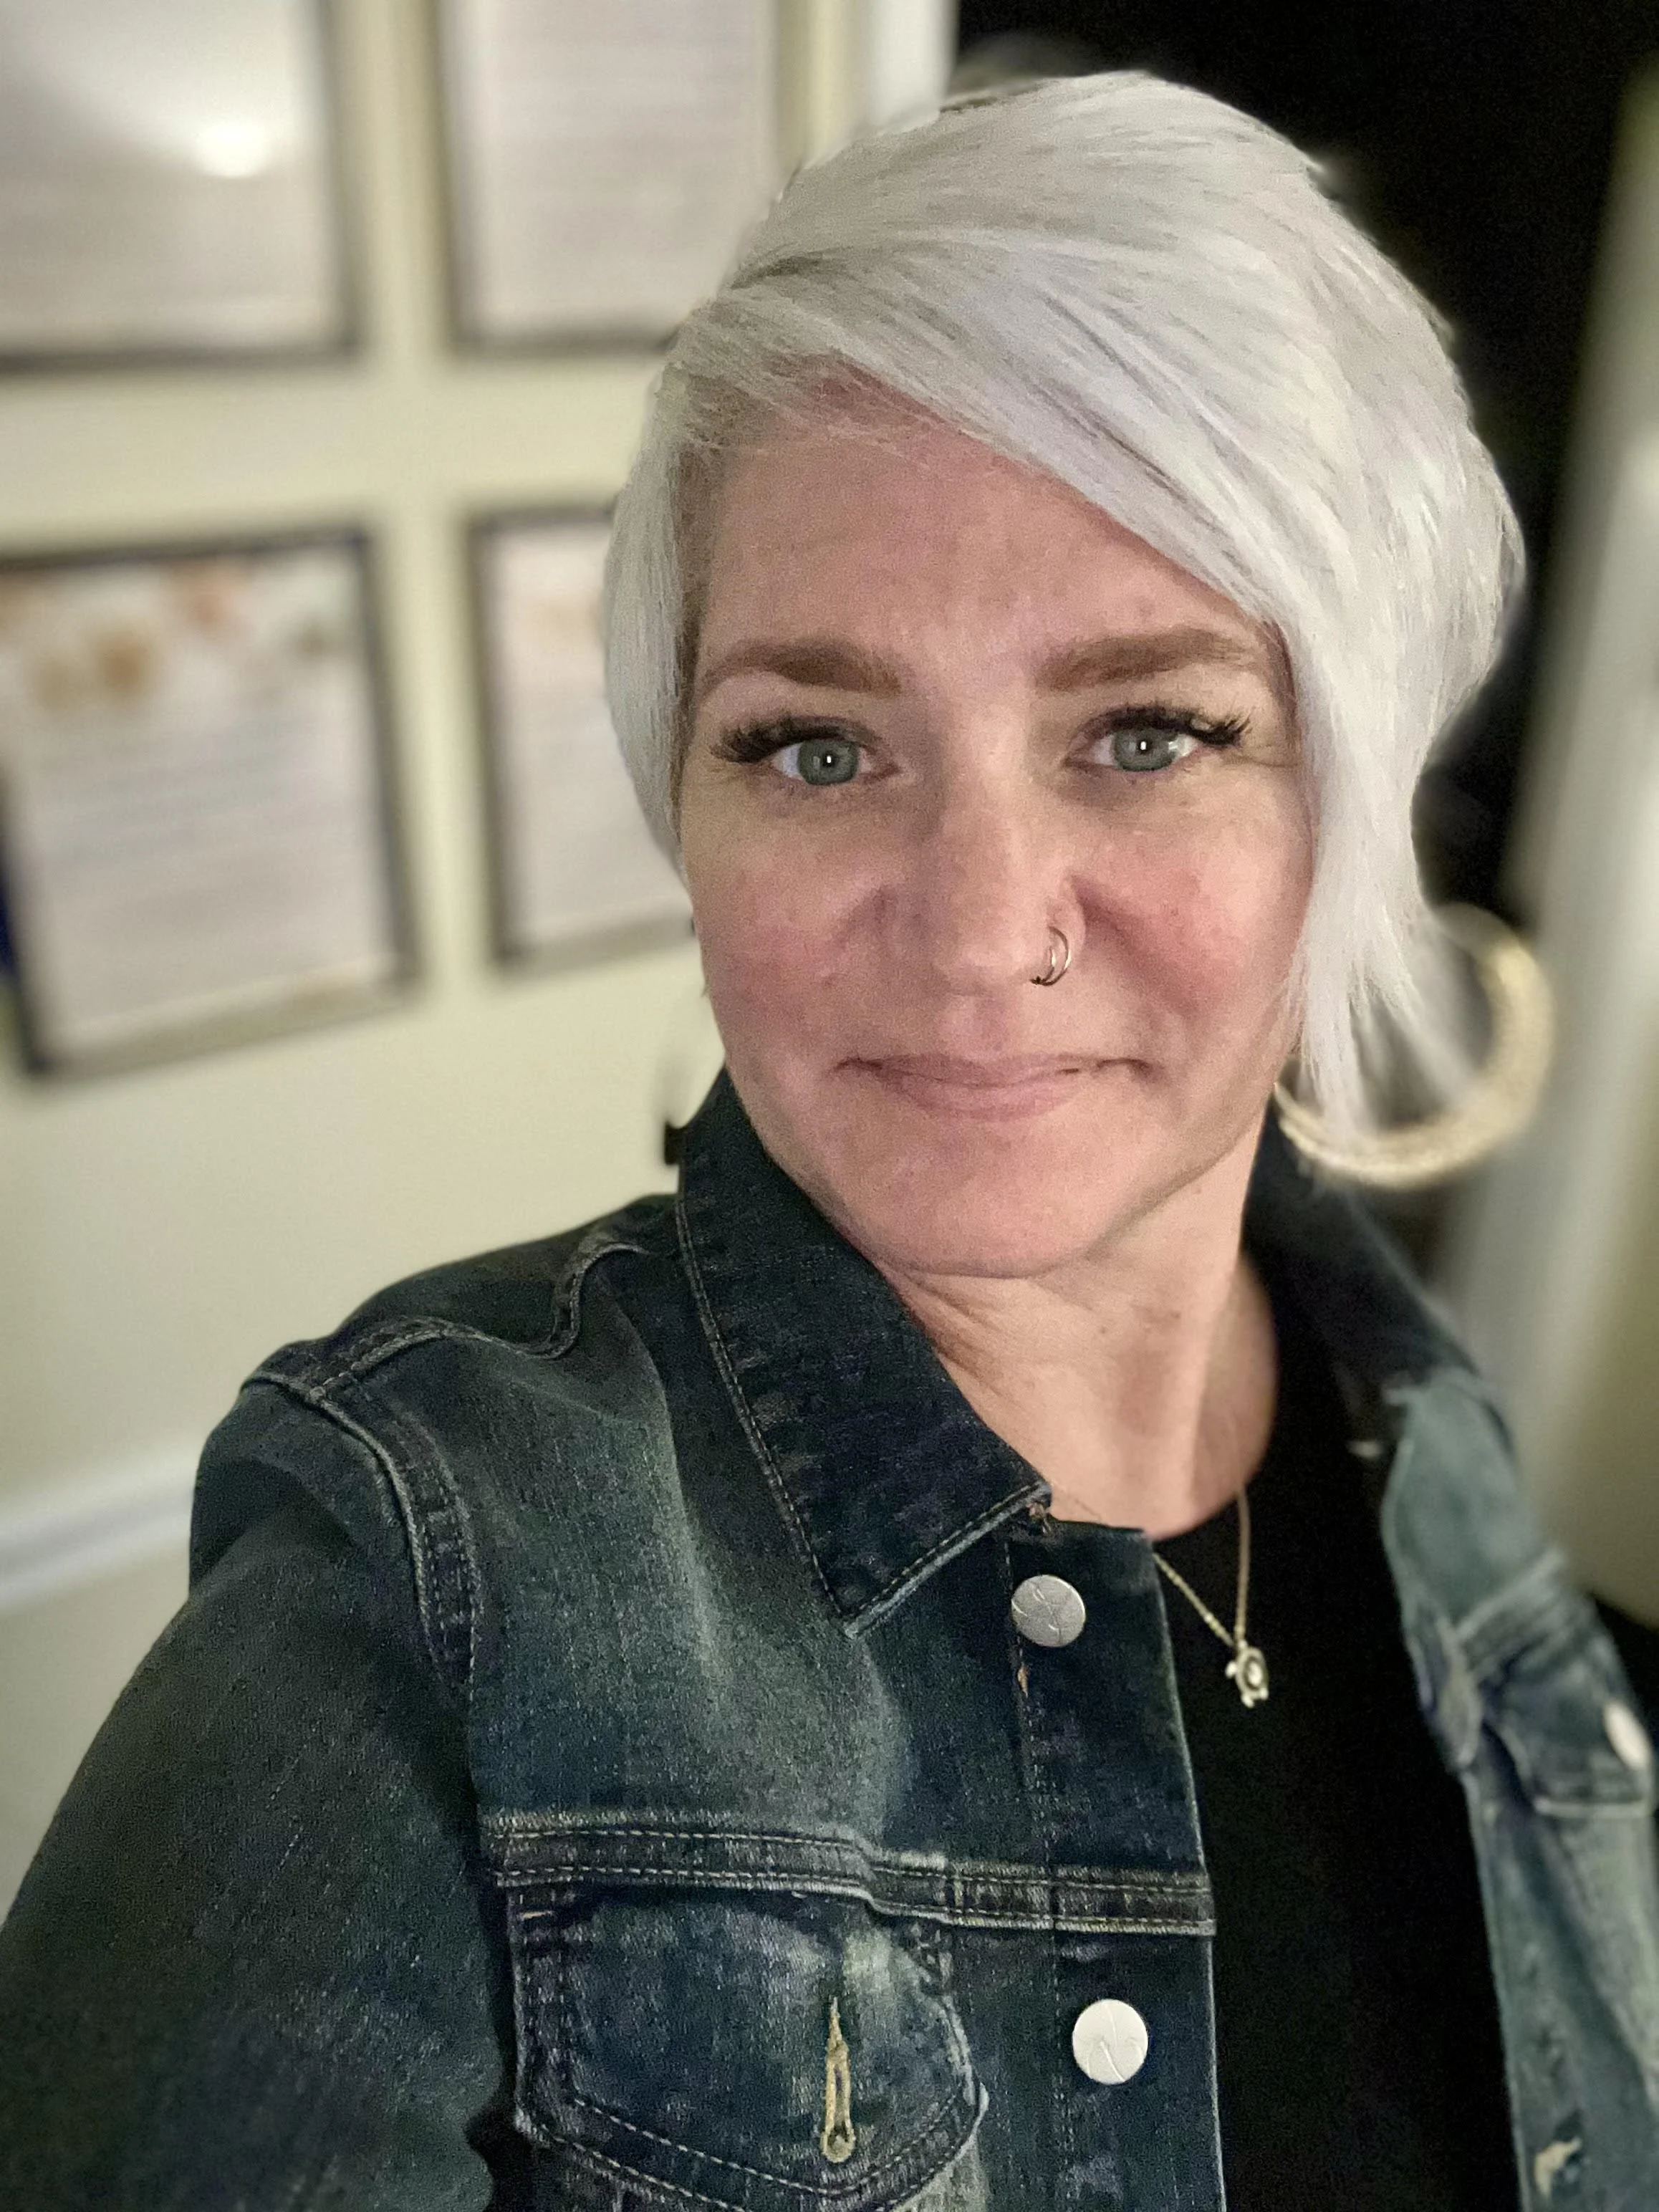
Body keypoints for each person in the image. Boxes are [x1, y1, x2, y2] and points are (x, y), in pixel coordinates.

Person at [3, 69, 1658, 2212]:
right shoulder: (421, 1577)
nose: (978, 932)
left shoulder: (1419, 1419)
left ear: (1349, 789)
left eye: (1145, 732)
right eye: (813, 746)